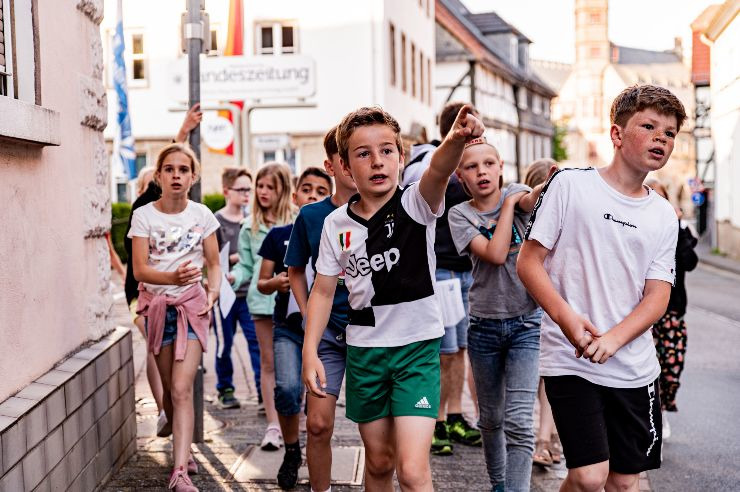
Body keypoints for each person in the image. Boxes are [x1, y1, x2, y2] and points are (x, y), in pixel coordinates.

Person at [303, 105, 485, 491]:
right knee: (380, 462)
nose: (377, 161)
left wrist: (455, 139)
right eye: (363, 153)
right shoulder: (335, 225)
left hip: (416, 350)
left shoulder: (416, 203)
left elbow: (439, 170)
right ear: (345, 167)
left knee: (413, 471)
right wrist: (310, 351)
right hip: (365, 353)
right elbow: (322, 291)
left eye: (386, 150)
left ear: (401, 157)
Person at [517, 84, 686, 492]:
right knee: (588, 476)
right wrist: (567, 320)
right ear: (616, 134)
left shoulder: (664, 215)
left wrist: (613, 340)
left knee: (624, 483)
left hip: (634, 366)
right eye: (649, 126)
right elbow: (528, 262)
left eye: (669, 133)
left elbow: (658, 295)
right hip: (571, 358)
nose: (661, 138)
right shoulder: (570, 185)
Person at [448, 138, 548, 491]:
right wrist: (506, 208)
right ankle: (499, 485)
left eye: (489, 163)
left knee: (519, 420)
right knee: (490, 420)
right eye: (472, 167)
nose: (482, 172)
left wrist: (548, 183)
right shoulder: (460, 215)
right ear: (461, 176)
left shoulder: (516, 195)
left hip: (526, 324)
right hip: (484, 328)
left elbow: (531, 199)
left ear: (500, 166)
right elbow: (494, 253)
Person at [129, 143, 221, 492]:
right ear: (159, 175)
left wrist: (212, 293)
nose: (176, 176)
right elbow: (140, 269)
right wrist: (172, 278)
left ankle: (179, 470)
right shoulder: (144, 216)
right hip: (157, 308)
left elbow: (213, 262)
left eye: (183, 170)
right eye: (169, 169)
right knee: (170, 391)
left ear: (193, 176)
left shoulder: (202, 215)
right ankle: (182, 445)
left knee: (182, 389)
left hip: (191, 308)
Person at [402, 102, 482, 456]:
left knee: (460, 349)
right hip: (440, 269)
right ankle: (434, 421)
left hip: (467, 269)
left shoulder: (473, 161)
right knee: (443, 351)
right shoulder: (431, 162)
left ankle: (454, 415)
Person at [285, 127, 358, 492]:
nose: (355, 165)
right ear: (332, 165)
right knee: (317, 424)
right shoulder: (311, 215)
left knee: (377, 433)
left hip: (372, 333)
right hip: (328, 333)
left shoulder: (383, 210)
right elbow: (295, 270)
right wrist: (307, 312)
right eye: (347, 157)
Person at [257, 167, 332, 489]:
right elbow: (261, 283)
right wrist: (275, 283)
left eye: (321, 191)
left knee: (317, 401)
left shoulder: (336, 232)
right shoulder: (278, 236)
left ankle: (315, 453)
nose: (313, 195)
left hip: (326, 331)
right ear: (295, 196)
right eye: (307, 189)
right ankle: (291, 450)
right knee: (287, 389)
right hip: (288, 328)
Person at [230, 162, 295, 450]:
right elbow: (246, 266)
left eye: (270, 187)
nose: (263, 192)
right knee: (268, 363)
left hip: (292, 303)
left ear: (283, 189)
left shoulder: (297, 221)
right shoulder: (249, 226)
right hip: (260, 302)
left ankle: (294, 416)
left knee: (294, 364)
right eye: (260, 186)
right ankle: (273, 425)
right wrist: (233, 277)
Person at [645, 178, 698, 441]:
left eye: (660, 197)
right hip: (644, 313)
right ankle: (653, 415)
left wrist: (675, 227)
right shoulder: (638, 228)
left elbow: (690, 262)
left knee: (671, 369)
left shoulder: (677, 230)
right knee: (648, 368)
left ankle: (662, 409)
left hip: (673, 313)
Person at [522, 158, 563, 468]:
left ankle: (546, 438)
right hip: (540, 308)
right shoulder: (529, 215)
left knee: (545, 379)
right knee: (545, 379)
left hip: (542, 308)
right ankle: (546, 439)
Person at [212, 167, 262, 409]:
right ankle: (225, 390)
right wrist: (235, 258)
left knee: (257, 343)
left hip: (249, 294)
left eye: (248, 190)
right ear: (226, 191)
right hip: (224, 295)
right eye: (241, 189)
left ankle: (263, 392)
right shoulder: (215, 221)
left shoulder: (252, 220)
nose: (246, 194)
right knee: (224, 344)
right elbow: (210, 258)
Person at [124, 168, 169, 436]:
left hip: (170, 295)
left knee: (163, 346)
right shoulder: (141, 212)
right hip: (139, 295)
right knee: (155, 343)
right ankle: (163, 409)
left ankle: (170, 407)